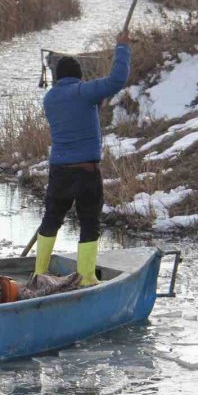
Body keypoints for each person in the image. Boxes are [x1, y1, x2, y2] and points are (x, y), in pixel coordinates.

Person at [33, 30, 131, 286]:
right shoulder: (83, 92)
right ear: (78, 76)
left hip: (59, 172)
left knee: (51, 220)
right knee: (89, 223)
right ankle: (86, 277)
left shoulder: (50, 99)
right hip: (86, 171)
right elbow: (117, 79)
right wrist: (122, 48)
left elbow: (75, 113)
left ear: (57, 76)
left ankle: (38, 273)